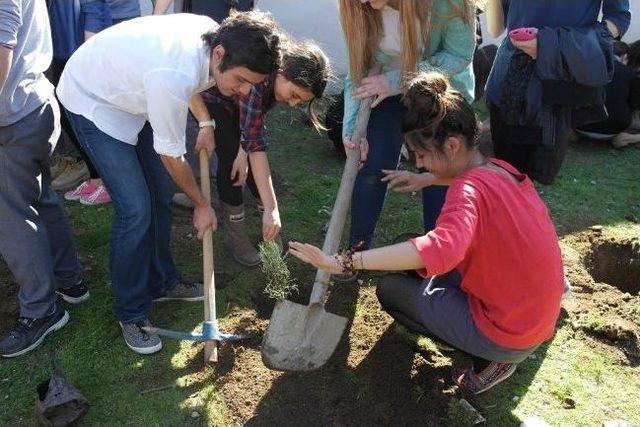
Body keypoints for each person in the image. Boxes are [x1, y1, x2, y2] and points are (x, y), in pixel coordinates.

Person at [289, 72, 564, 395]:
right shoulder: (502, 170)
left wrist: (347, 261)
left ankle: (487, 358)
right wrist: (431, 179)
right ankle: (483, 338)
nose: (418, 164)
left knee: (391, 288)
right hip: (535, 316)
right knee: (401, 248)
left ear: (451, 145)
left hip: (506, 334)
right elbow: (472, 191)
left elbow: (442, 248)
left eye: (421, 156)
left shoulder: (466, 193)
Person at [57, 11, 283, 354]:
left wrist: (204, 121)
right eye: (240, 80)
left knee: (158, 195)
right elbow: (171, 155)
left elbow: (188, 82)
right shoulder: (171, 75)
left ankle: (163, 280)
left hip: (135, 92)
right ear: (219, 54)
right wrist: (201, 204)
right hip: (93, 100)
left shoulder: (214, 38)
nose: (243, 91)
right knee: (135, 209)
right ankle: (131, 312)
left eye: (251, 84)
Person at [338, 0, 476, 280]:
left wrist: (399, 79)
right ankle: (357, 250)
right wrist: (352, 128)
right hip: (385, 92)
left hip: (439, 91)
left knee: (438, 171)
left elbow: (459, 54)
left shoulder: (447, 4)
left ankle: (440, 258)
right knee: (371, 166)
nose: (364, 2)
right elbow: (358, 68)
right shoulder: (358, 6)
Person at [178, 40, 329, 266]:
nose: (293, 103)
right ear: (283, 72)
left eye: (300, 101)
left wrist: (244, 151)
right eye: (294, 94)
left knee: (244, 158)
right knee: (231, 163)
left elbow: (252, 127)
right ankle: (236, 238)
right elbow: (256, 146)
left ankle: (269, 229)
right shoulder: (259, 79)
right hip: (212, 103)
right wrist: (272, 207)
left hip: (238, 104)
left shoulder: (273, 83)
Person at [0, 0, 86, 358]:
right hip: (34, 104)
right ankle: (70, 280)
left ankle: (42, 309)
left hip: (13, 117)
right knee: (39, 198)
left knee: (11, 215)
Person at [484, 0, 631, 184]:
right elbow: (496, 29)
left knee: (528, 184)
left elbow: (619, 19)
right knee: (504, 179)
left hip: (554, 86)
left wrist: (556, 43)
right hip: (508, 79)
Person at [53, 0, 142, 204]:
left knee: (95, 108)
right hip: (68, 28)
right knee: (66, 104)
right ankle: (97, 176)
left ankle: (106, 180)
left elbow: (94, 5)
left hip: (93, 28)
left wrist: (89, 46)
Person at [576, 40, 640, 148]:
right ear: (625, 57)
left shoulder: (589, 64)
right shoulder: (629, 73)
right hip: (615, 128)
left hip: (580, 124)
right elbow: (632, 105)